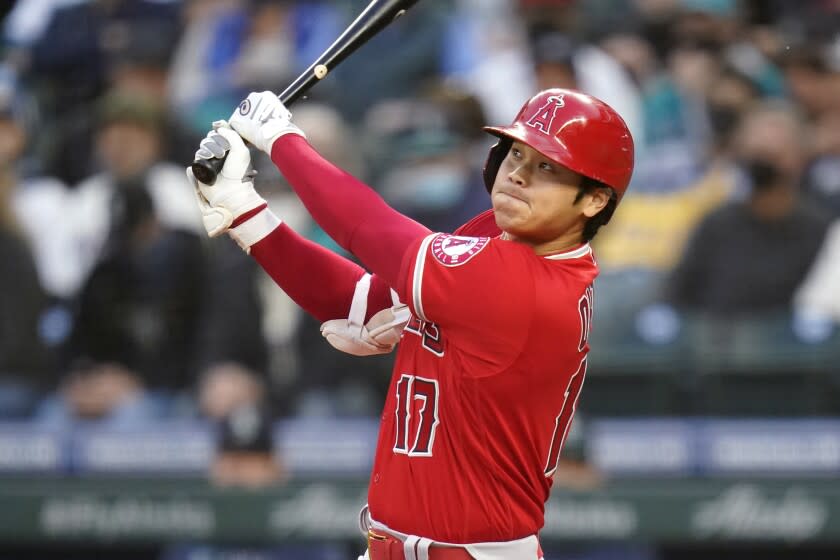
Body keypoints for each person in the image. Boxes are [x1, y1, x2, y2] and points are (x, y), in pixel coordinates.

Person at [187, 87, 633, 559]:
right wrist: (243, 210)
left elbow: (369, 228)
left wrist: (282, 139)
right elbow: (359, 302)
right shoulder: (494, 240)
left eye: (547, 167)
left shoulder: (534, 284)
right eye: (517, 154)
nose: (519, 174)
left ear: (593, 200)